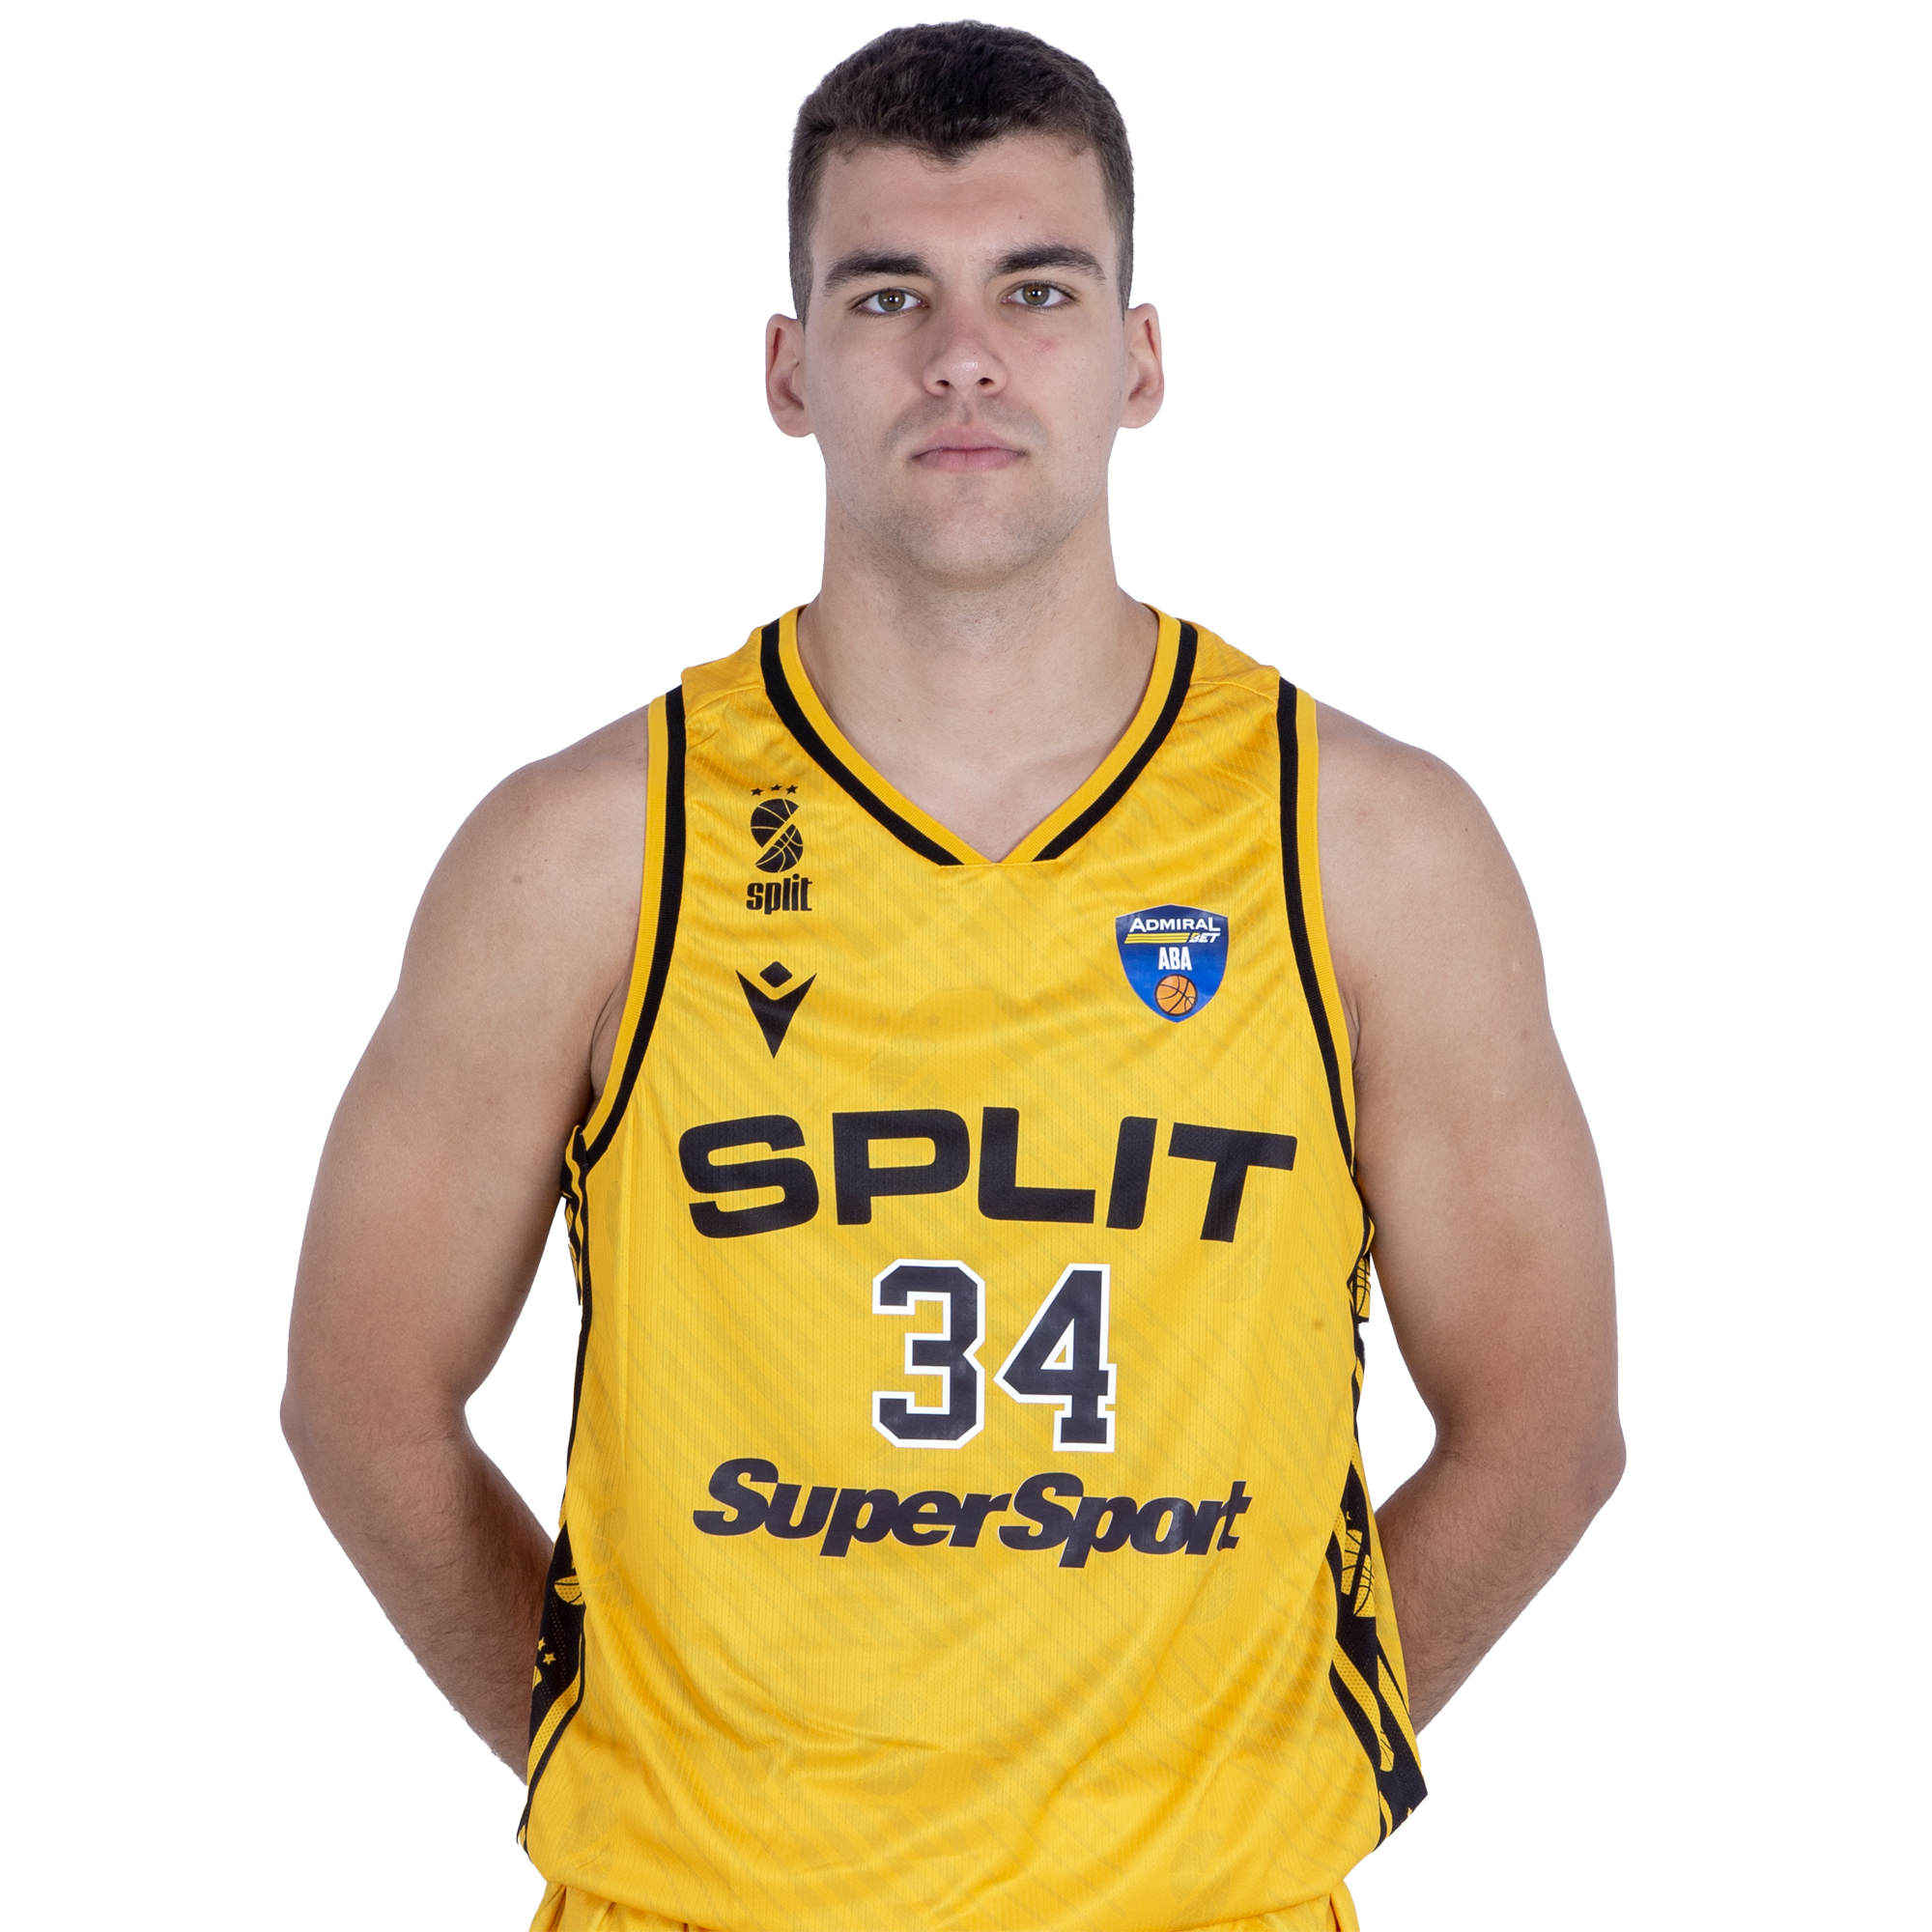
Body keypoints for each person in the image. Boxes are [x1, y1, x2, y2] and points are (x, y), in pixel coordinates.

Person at [283, 20, 1623, 1932]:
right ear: (790, 367)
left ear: (1138, 358)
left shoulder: (1367, 849)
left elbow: (1546, 1423)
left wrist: (1271, 1773)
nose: (963, 354)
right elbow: (360, 1396)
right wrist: (636, 1772)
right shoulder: (583, 853)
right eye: (889, 292)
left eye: (1037, 290)